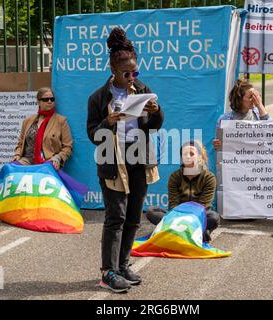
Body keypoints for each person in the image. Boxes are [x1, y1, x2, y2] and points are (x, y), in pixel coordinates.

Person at [86, 27, 164, 293]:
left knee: (133, 217)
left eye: (135, 72)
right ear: (113, 70)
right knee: (115, 216)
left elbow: (154, 126)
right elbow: (92, 135)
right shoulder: (98, 98)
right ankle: (108, 271)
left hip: (138, 160)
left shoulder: (142, 89)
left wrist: (156, 111)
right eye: (126, 73)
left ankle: (122, 264)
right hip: (112, 161)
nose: (131, 77)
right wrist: (107, 123)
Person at [146, 140, 219, 243]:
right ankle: (192, 232)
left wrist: (189, 220)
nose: (188, 157)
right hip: (177, 216)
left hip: (198, 216)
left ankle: (179, 230)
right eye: (184, 154)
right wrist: (180, 219)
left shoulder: (209, 177)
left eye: (192, 154)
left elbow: (204, 205)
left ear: (199, 157)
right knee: (151, 211)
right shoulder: (175, 176)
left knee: (214, 217)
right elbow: (173, 203)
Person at [13, 87, 73, 169]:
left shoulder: (61, 121)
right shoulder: (27, 121)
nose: (49, 101)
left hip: (48, 162)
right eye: (46, 99)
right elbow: (20, 144)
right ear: (38, 102)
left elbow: (67, 147)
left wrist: (58, 158)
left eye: (52, 99)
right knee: (9, 168)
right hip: (27, 160)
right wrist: (17, 155)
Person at [212, 79, 271, 150]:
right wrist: (217, 144)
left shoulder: (259, 114)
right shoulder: (224, 119)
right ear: (240, 100)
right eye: (250, 97)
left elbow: (271, 133)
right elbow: (220, 149)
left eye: (255, 95)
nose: (255, 99)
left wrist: (260, 106)